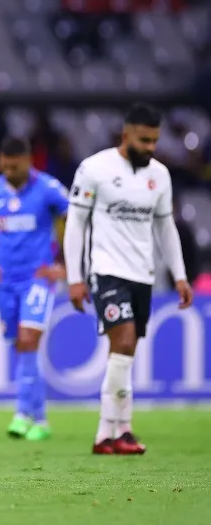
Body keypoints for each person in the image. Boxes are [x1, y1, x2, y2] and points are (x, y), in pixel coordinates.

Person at [63, 103, 193, 456]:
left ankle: (122, 430)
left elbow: (165, 227)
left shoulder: (160, 175)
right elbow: (75, 224)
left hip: (142, 274)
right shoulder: (95, 168)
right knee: (122, 342)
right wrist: (74, 277)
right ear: (126, 135)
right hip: (106, 270)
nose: (150, 148)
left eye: (154, 141)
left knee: (126, 351)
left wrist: (179, 275)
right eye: (144, 140)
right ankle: (105, 435)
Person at [0, 137, 69, 441]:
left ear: (28, 161)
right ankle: (40, 419)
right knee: (19, 344)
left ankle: (22, 413)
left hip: (38, 278)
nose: (8, 171)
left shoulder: (49, 190)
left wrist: (64, 265)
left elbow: (76, 222)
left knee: (28, 340)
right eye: (4, 166)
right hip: (6, 281)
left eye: (14, 166)